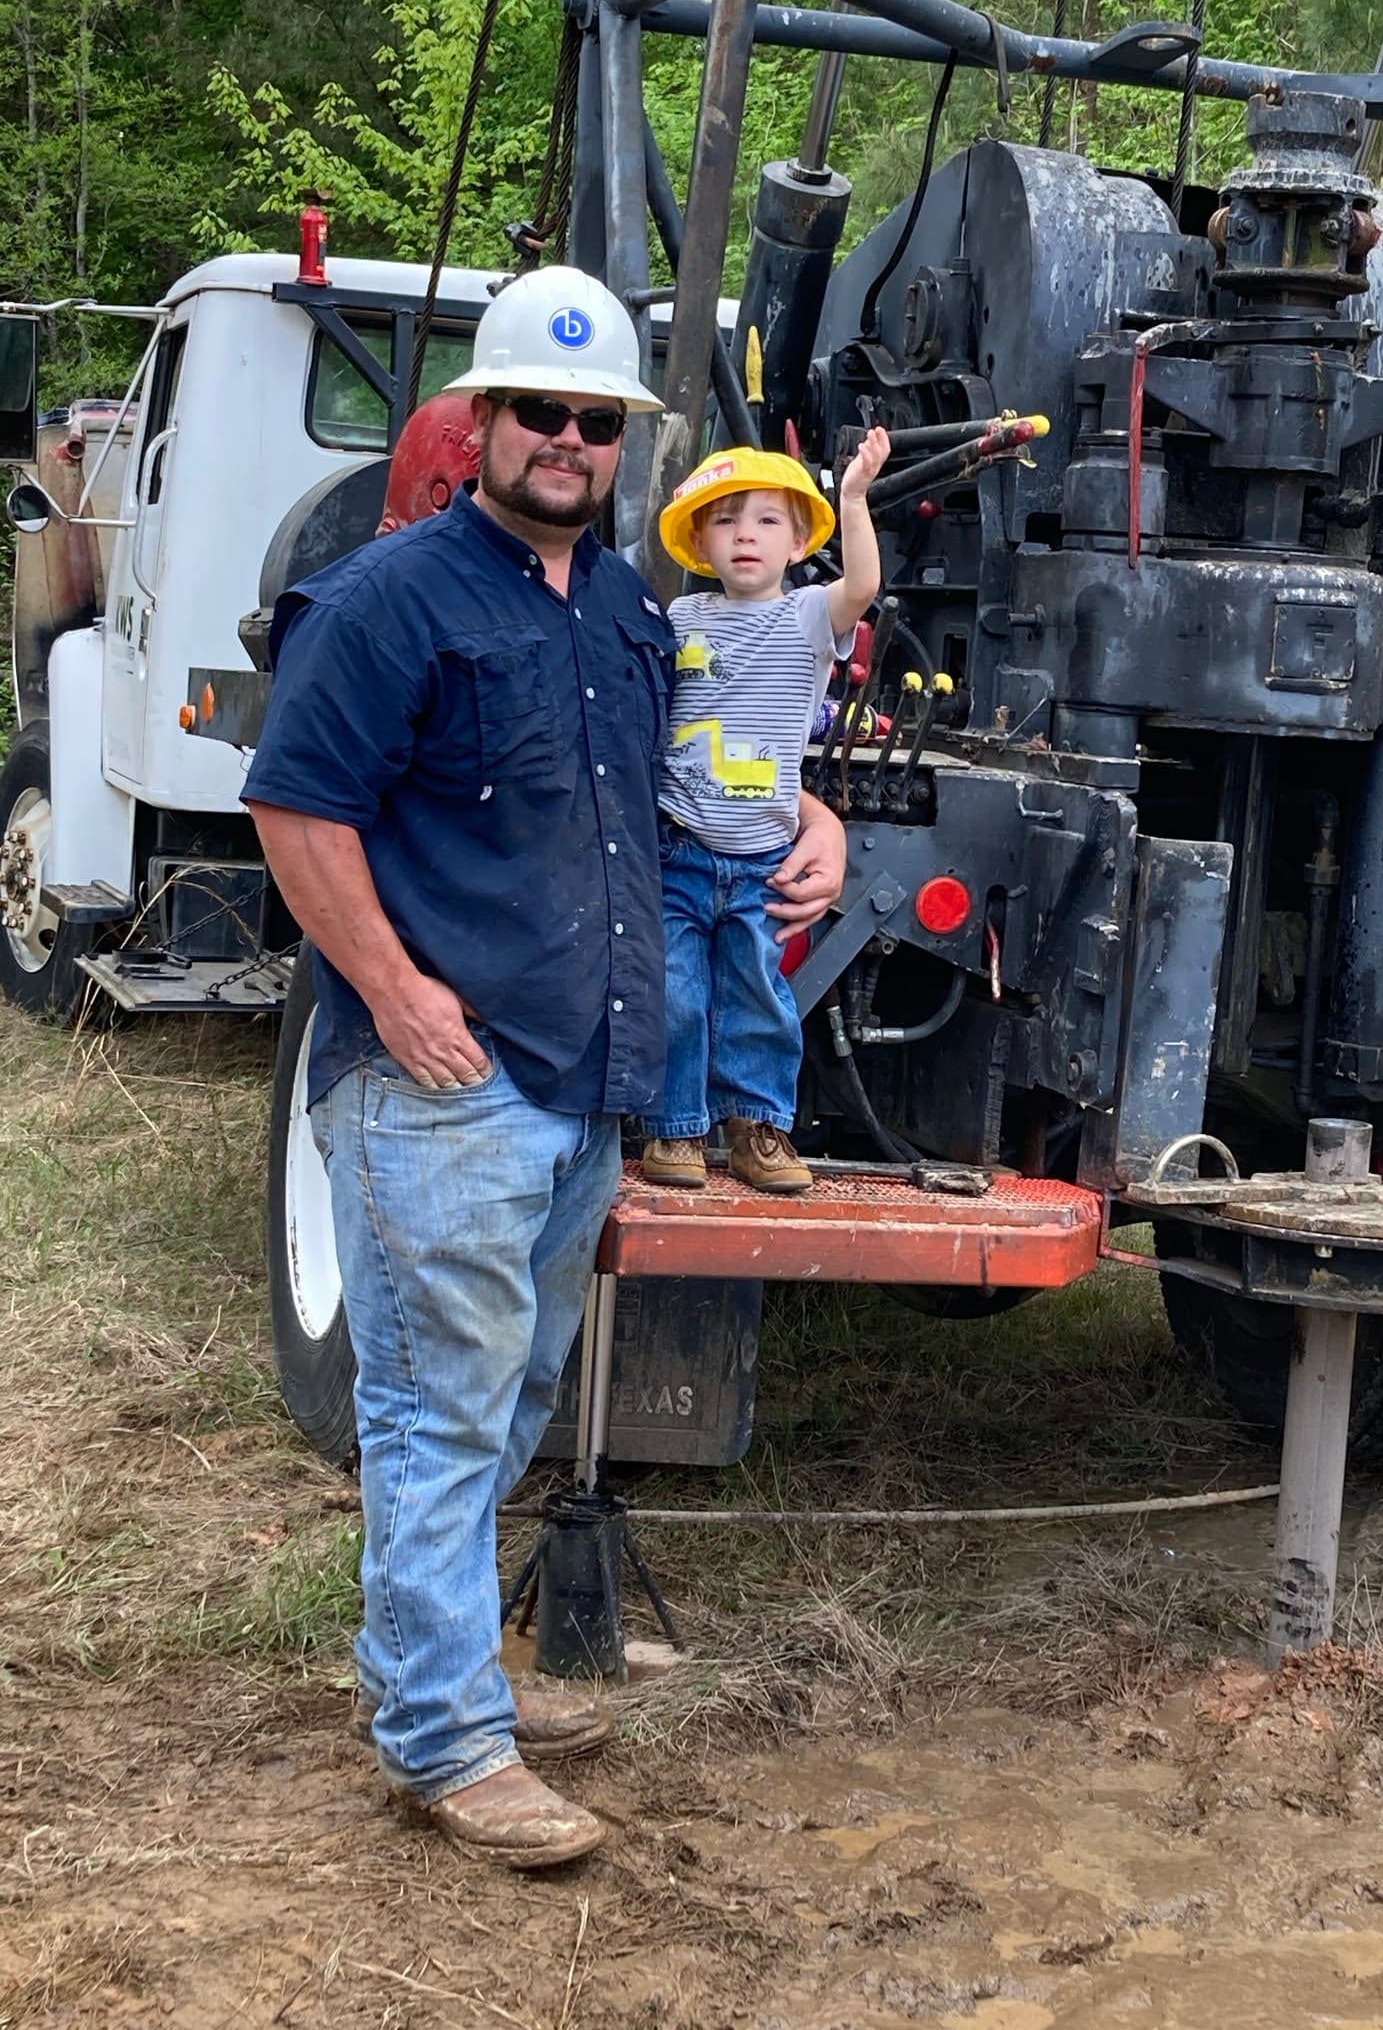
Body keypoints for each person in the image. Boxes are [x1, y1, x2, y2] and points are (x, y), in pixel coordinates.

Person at [241, 267, 846, 1868]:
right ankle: (442, 1738)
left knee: (508, 1395)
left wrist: (815, 814)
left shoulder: (632, 616)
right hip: (443, 1079)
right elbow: (297, 809)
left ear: (621, 442)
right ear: (484, 422)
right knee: (439, 1411)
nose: (569, 441)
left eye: (598, 420)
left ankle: (451, 1675)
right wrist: (396, 993)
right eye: (541, 413)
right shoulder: (390, 601)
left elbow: (699, 778)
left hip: (584, 1087)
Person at [641, 430, 890, 1192]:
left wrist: (853, 499)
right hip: (678, 846)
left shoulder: (812, 617)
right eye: (726, 520)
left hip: (761, 858)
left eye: (767, 521)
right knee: (677, 993)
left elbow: (864, 586)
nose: (746, 534)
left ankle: (757, 1130)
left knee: (759, 997)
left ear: (797, 543)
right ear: (698, 541)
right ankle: (676, 1130)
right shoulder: (679, 621)